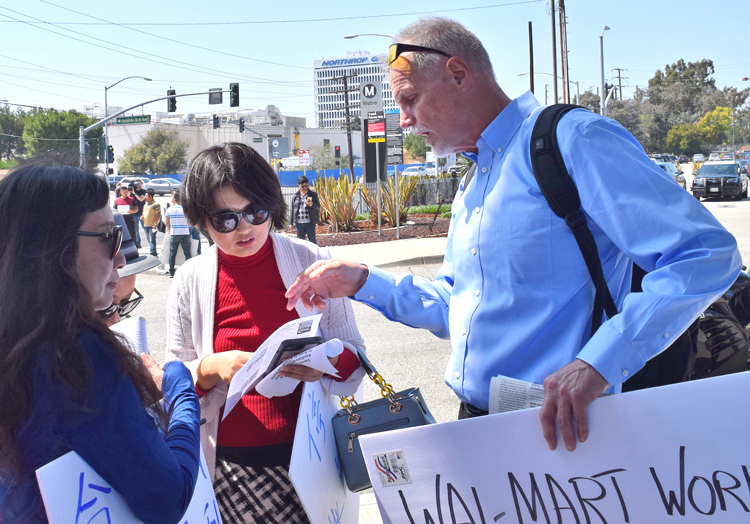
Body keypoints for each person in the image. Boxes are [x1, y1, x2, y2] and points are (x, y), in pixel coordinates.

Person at [285, 17, 741, 453]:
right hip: (480, 429)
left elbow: (706, 255)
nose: (403, 119)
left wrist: (599, 364)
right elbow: (459, 308)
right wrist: (363, 281)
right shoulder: (472, 182)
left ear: (459, 73)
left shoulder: (572, 140)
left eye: (409, 99)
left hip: (565, 436)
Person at [166, 142, 365, 523]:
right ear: (201, 220)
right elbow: (173, 384)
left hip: (311, 459)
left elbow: (355, 358)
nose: (246, 228)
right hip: (230, 469)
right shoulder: (190, 279)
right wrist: (210, 368)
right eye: (226, 219)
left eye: (256, 212)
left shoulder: (312, 262)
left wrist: (325, 361)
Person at [0, 163, 201, 522]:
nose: (121, 258)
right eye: (109, 237)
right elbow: (169, 498)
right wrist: (181, 390)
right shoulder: (75, 355)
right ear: (53, 246)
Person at [164, 188, 191, 277]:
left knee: (172, 254)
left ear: (173, 199)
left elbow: (167, 223)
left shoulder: (169, 210)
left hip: (174, 233)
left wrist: (171, 230)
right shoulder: (186, 209)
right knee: (187, 253)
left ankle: (171, 272)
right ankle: (189, 272)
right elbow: (190, 222)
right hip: (185, 233)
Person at [289, 175, 320, 245]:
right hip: (299, 223)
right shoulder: (295, 195)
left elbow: (318, 206)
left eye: (306, 186)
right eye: (302, 186)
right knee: (301, 243)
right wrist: (290, 223)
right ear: (299, 185)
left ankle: (314, 255)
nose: (304, 188)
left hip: (310, 222)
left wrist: (312, 205)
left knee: (312, 241)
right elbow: (292, 209)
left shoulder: (312, 194)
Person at [141, 188, 162, 257]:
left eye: (146, 196)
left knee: (152, 239)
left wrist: (155, 224)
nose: (145, 197)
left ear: (151, 196)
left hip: (152, 226)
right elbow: (144, 212)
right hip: (146, 225)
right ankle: (153, 251)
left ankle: (152, 253)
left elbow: (158, 214)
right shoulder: (145, 204)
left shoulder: (156, 204)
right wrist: (142, 216)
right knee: (149, 240)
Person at [131, 179, 147, 249]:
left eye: (140, 183)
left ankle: (150, 243)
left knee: (146, 229)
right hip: (134, 213)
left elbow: (141, 199)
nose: (138, 184)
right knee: (136, 230)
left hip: (142, 213)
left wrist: (134, 193)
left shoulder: (143, 191)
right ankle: (138, 244)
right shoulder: (131, 191)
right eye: (137, 183)